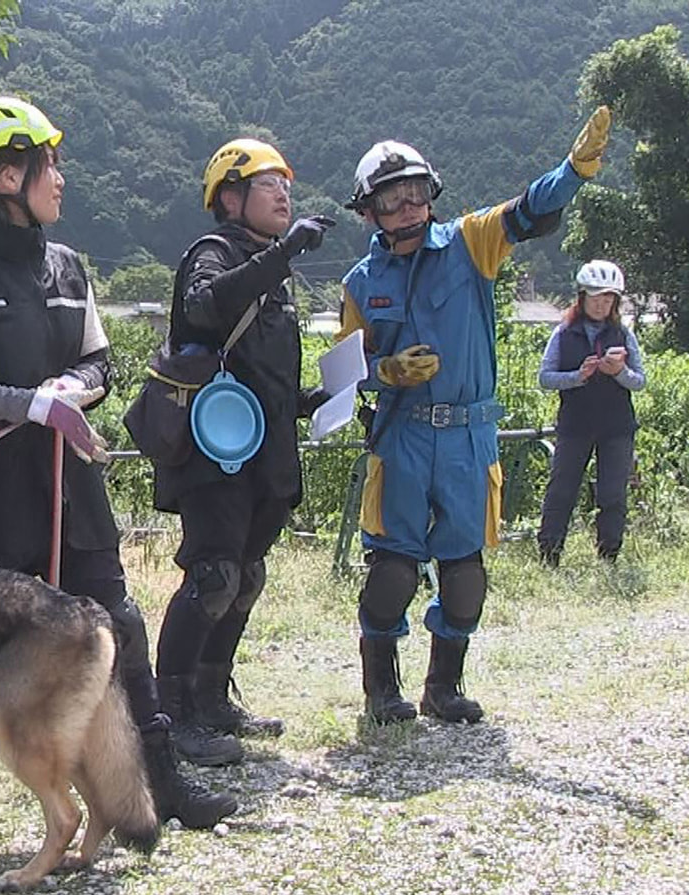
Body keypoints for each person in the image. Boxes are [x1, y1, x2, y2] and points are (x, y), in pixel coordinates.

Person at [0, 95, 237, 845]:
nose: (61, 176)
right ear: (7, 174)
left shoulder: (67, 265)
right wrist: (27, 404)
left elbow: (99, 362)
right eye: (49, 163)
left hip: (65, 488)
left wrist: (70, 391)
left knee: (118, 623)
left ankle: (161, 783)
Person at [337, 107, 612, 724]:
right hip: (400, 438)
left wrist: (575, 168)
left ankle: (444, 687)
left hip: (468, 436)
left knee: (464, 574)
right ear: (369, 210)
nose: (409, 206)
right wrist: (386, 372)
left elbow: (529, 209)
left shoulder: (469, 242)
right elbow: (345, 367)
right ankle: (381, 690)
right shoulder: (360, 282)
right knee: (393, 572)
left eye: (416, 193)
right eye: (392, 197)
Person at [152, 138, 334, 767]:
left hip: (267, 451)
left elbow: (264, 374)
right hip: (214, 451)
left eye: (286, 184)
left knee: (246, 577)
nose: (284, 194)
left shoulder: (269, 267)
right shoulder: (215, 253)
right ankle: (168, 715)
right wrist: (284, 254)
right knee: (213, 575)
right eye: (268, 184)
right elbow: (204, 305)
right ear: (230, 197)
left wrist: (320, 397)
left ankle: (211, 692)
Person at [537, 259, 645, 565]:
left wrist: (619, 371)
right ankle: (549, 554)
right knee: (562, 490)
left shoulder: (623, 334)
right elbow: (545, 378)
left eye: (608, 298)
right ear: (582, 297)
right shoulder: (563, 333)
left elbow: (639, 381)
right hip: (575, 425)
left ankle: (609, 555)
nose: (602, 304)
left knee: (613, 494)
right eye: (596, 297)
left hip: (616, 426)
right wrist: (577, 377)